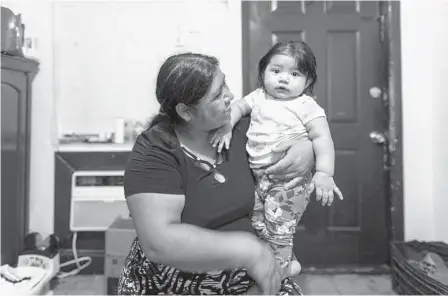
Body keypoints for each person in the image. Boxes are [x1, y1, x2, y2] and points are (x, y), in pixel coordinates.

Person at [117, 52, 316, 295]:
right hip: (175, 282)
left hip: (251, 275)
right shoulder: (156, 150)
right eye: (217, 95)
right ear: (186, 111)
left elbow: (306, 132)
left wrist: (307, 149)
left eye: (225, 84)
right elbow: (159, 242)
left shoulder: (244, 129)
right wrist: (249, 251)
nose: (230, 96)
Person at [210, 41, 344, 275]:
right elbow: (239, 107)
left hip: (289, 183)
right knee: (260, 225)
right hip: (260, 178)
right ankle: (286, 262)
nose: (283, 79)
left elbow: (322, 138)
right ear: (263, 73)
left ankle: (279, 273)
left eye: (294, 74)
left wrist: (324, 173)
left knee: (280, 230)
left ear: (308, 82)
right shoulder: (259, 97)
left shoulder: (306, 105)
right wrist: (226, 127)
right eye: (276, 71)